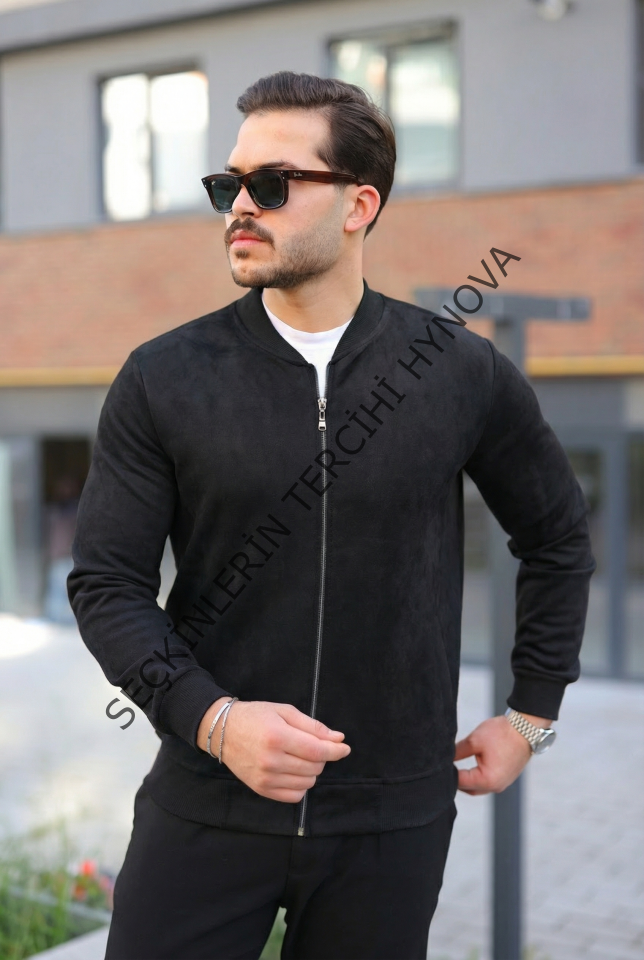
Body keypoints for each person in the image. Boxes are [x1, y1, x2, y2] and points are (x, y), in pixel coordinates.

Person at [68, 72, 595, 960]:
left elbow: (557, 537)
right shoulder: (163, 377)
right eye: (229, 185)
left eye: (272, 184)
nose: (241, 206)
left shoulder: (459, 372)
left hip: (391, 822)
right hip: (205, 804)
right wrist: (215, 721)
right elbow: (106, 586)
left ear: (359, 205)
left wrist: (530, 715)